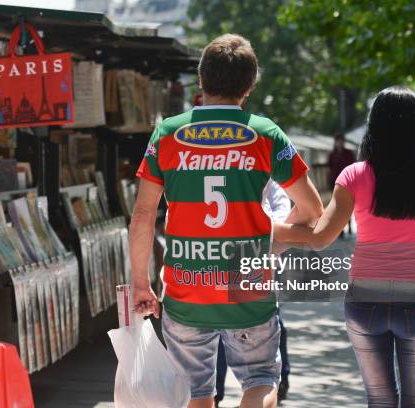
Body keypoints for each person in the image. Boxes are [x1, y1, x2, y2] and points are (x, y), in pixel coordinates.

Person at [130, 34, 323, 408]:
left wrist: (142, 284)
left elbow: (142, 216)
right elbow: (313, 209)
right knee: (261, 380)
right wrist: (273, 238)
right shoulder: (266, 134)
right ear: (249, 86)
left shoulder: (167, 133)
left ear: (201, 80)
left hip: (187, 286)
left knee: (197, 393)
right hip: (248, 285)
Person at [273, 86, 415, 408]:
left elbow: (320, 238)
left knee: (379, 400)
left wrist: (261, 228)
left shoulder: (354, 176)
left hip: (365, 303)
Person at [215, 181, 293, 406]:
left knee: (271, 325)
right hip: (248, 260)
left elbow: (281, 206)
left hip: (251, 262)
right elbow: (308, 208)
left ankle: (281, 377)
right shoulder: (263, 159)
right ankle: (216, 390)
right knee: (260, 375)